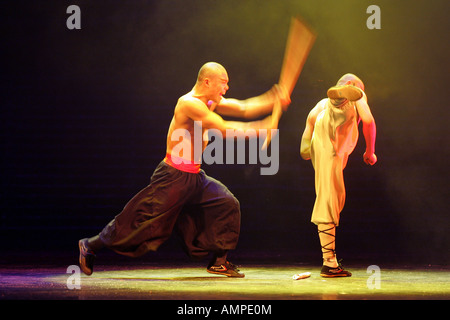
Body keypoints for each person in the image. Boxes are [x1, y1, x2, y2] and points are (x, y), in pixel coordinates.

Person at [79, 62, 290, 278]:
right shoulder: (189, 103)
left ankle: (219, 262)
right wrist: (261, 129)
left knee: (227, 203)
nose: (226, 88)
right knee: (140, 222)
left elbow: (244, 107)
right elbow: (223, 129)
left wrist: (273, 98)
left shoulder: (211, 100)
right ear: (207, 81)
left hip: (194, 176)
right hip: (173, 176)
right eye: (223, 83)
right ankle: (90, 245)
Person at [300, 73, 377, 277]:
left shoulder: (320, 104)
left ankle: (337, 100)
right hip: (331, 149)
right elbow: (368, 121)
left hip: (322, 145)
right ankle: (330, 263)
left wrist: (306, 145)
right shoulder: (358, 97)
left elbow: (310, 123)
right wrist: (370, 151)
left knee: (334, 198)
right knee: (329, 201)